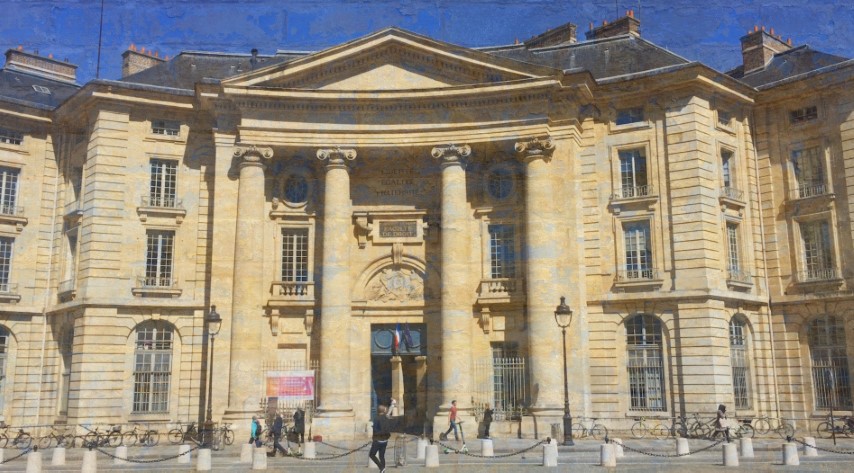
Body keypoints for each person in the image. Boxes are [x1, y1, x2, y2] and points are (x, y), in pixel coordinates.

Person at [369, 404, 393, 473]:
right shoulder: (386, 418)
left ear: (378, 411)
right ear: (384, 411)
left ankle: (381, 468)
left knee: (372, 454)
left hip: (378, 440)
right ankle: (383, 471)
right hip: (385, 441)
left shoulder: (376, 418)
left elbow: (376, 430)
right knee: (382, 456)